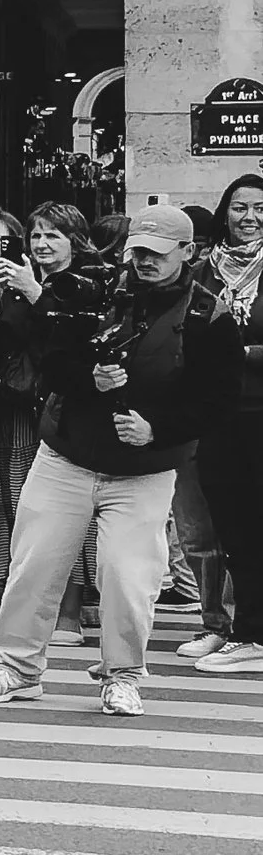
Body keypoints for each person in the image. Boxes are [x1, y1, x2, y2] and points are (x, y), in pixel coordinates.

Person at [0, 204, 242, 716]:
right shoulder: (90, 289)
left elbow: (219, 400)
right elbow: (48, 356)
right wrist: (86, 380)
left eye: (158, 254)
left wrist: (159, 429)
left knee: (129, 577)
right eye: (138, 250)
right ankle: (17, 668)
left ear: (188, 251)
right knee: (33, 564)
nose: (144, 261)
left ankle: (123, 675)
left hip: (146, 469)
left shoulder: (209, 316)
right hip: (67, 454)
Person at [0, 202, 100, 648]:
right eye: (36, 236)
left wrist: (37, 294)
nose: (41, 245)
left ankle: (68, 615)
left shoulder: (90, 280)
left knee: (62, 515)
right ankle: (10, 610)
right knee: (7, 511)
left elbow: (77, 336)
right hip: (9, 408)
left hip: (62, 409)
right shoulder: (17, 279)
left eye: (52, 236)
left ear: (74, 241)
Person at [187, 174, 263, 672]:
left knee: (255, 526)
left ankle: (254, 636)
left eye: (260, 207)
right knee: (223, 529)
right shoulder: (199, 271)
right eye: (240, 207)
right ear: (224, 210)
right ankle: (230, 627)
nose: (250, 217)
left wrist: (236, 354)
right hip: (213, 415)